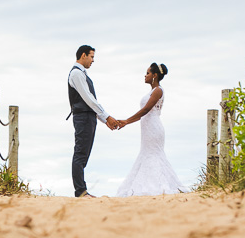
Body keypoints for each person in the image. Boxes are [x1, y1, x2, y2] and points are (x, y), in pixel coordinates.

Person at [114, 62, 185, 196]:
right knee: (146, 153)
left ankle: (158, 186)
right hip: (147, 128)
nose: (145, 75)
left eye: (147, 73)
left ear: (155, 75)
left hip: (154, 128)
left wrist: (127, 121)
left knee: (154, 155)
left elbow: (146, 109)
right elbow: (144, 112)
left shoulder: (158, 90)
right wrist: (127, 122)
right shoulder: (152, 91)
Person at [68, 45, 120, 198]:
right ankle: (80, 191)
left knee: (84, 154)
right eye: (91, 57)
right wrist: (107, 117)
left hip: (88, 117)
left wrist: (104, 120)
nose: (93, 60)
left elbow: (90, 102)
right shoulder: (76, 73)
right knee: (80, 154)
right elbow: (89, 99)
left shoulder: (82, 74)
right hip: (83, 117)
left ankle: (82, 190)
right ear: (83, 55)